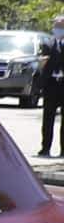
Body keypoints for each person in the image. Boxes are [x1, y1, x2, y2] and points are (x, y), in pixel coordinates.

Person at [38, 15, 64, 156]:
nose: (59, 29)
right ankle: (45, 147)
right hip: (51, 85)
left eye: (61, 27)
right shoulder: (47, 44)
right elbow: (43, 62)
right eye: (57, 27)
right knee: (48, 118)